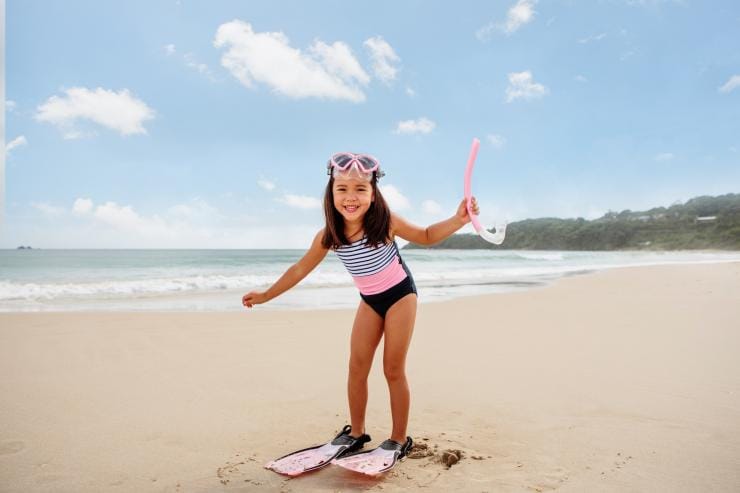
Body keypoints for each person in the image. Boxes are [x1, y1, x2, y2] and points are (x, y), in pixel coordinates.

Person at [244, 152, 480, 475]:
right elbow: (300, 269)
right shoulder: (329, 235)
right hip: (369, 300)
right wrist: (267, 295)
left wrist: (459, 220)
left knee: (392, 368)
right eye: (342, 189)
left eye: (360, 189)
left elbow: (425, 236)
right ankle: (356, 433)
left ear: (373, 192)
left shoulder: (386, 223)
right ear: (331, 193)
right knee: (356, 366)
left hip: (400, 296)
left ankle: (398, 439)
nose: (350, 197)